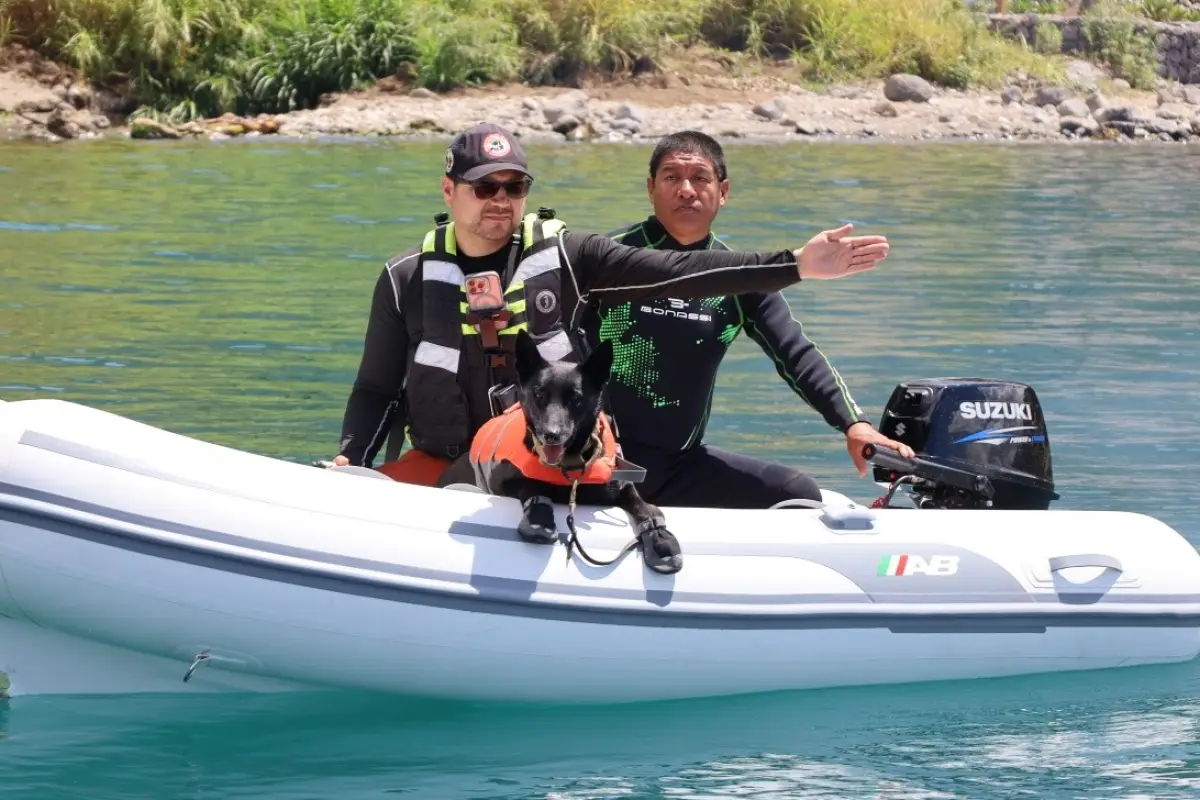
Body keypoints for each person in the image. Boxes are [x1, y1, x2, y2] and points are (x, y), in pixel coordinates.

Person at [328, 122, 892, 487]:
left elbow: (689, 278)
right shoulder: (408, 278)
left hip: (597, 461)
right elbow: (376, 388)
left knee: (796, 492)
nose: (500, 200)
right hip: (493, 456)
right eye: (484, 187)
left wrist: (797, 265)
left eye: (514, 187)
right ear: (449, 190)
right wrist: (352, 459)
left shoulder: (580, 259)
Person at [581, 130, 912, 509]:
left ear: (723, 192)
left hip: (677, 468)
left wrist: (855, 424)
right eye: (671, 177)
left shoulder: (739, 279)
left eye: (700, 178)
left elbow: (796, 354)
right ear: (650, 188)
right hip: (594, 460)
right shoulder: (608, 260)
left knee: (797, 494)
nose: (686, 190)